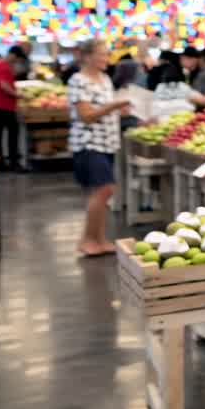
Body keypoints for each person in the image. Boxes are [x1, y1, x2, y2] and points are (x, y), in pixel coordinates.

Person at [67, 39, 130, 257]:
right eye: (102, 54)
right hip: (88, 143)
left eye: (107, 54)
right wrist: (115, 105)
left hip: (107, 143)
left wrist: (121, 110)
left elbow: (103, 110)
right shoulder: (78, 80)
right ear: (87, 56)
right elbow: (86, 116)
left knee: (100, 193)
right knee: (105, 189)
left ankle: (100, 239)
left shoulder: (104, 79)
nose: (106, 58)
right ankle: (86, 240)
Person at [0, 46, 21, 172]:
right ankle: (13, 162)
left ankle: (0, 164)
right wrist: (17, 94)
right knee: (12, 135)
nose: (16, 62)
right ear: (13, 55)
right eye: (17, 59)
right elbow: (3, 85)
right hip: (4, 107)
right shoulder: (3, 66)